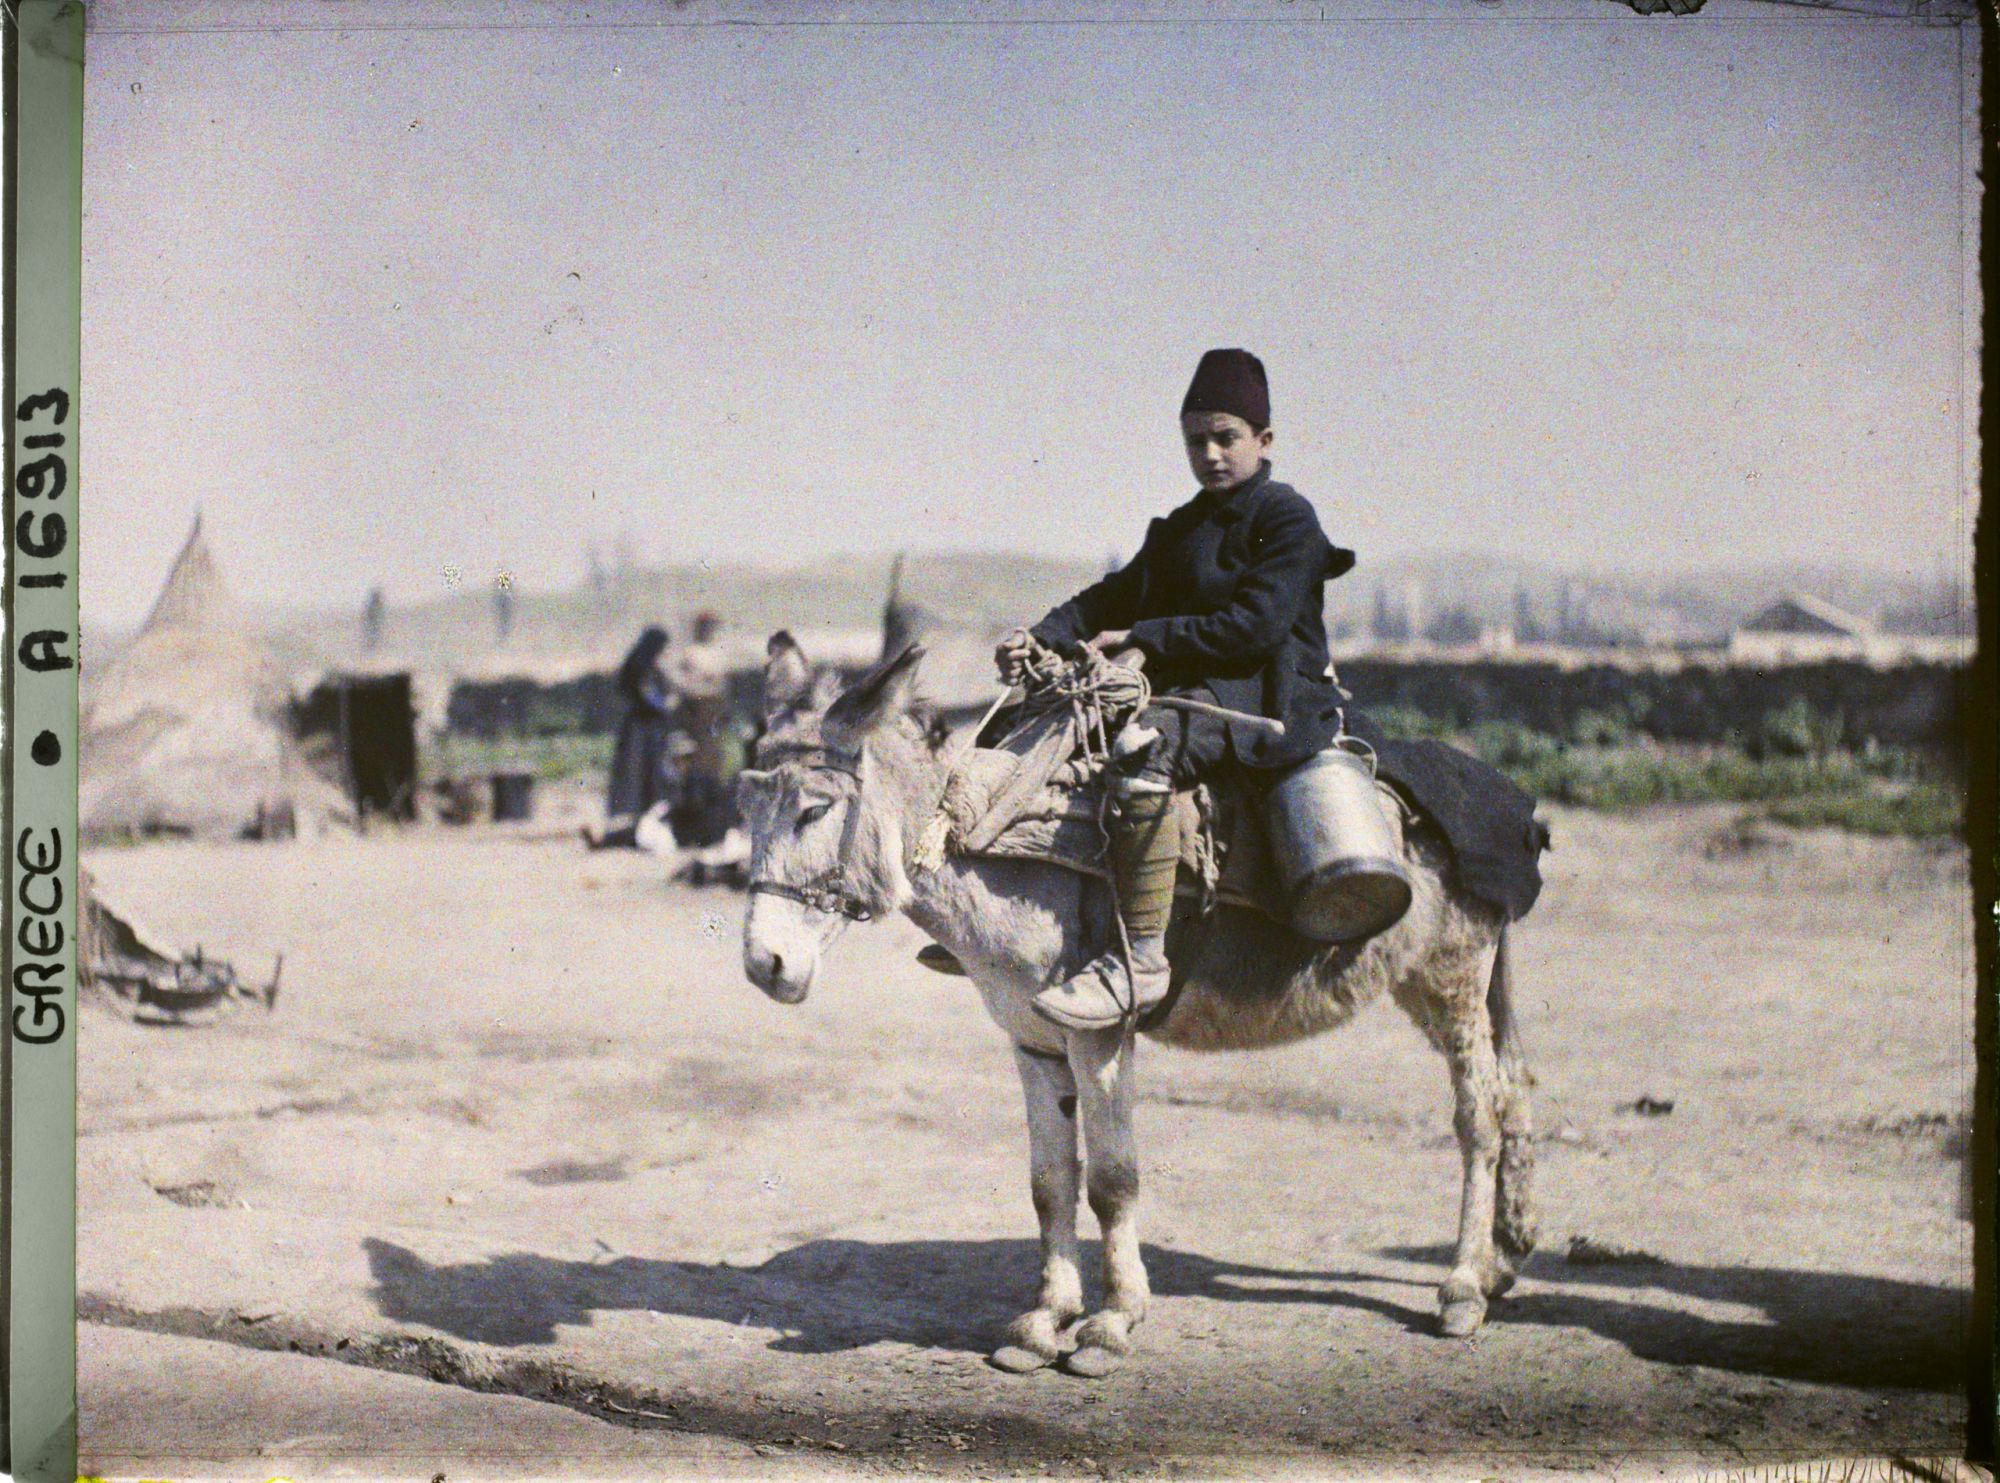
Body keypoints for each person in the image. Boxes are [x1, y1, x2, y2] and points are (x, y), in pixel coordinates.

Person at [997, 349, 1354, 1031]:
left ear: (1264, 441)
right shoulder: (1181, 528)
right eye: (1198, 440)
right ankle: (1021, 924)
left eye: (1227, 437)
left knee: (1139, 743)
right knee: (1040, 721)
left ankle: (1140, 962)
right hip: (1201, 683)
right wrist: (1042, 639)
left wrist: (1145, 640)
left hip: (1272, 691)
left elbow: (1255, 627)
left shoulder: (1287, 519)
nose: (1212, 454)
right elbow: (1112, 595)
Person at [591, 624, 677, 849]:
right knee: (640, 773)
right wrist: (666, 706)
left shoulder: (646, 663)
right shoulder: (642, 665)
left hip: (645, 725)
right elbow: (648, 695)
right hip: (643, 727)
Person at [668, 611, 734, 847]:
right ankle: (696, 824)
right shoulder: (691, 654)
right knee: (697, 766)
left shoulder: (715, 655)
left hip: (713, 715)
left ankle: (714, 824)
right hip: (698, 714)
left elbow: (722, 687)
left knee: (714, 765)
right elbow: (688, 686)